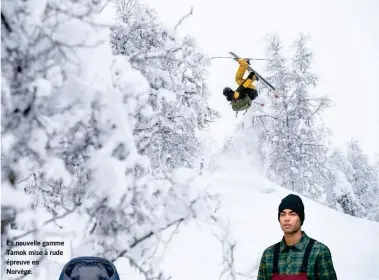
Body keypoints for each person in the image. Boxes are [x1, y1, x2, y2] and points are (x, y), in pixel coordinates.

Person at [257, 194, 338, 280]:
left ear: (301, 219)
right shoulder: (269, 254)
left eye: (292, 214)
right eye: (282, 214)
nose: (286, 218)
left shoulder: (319, 251)